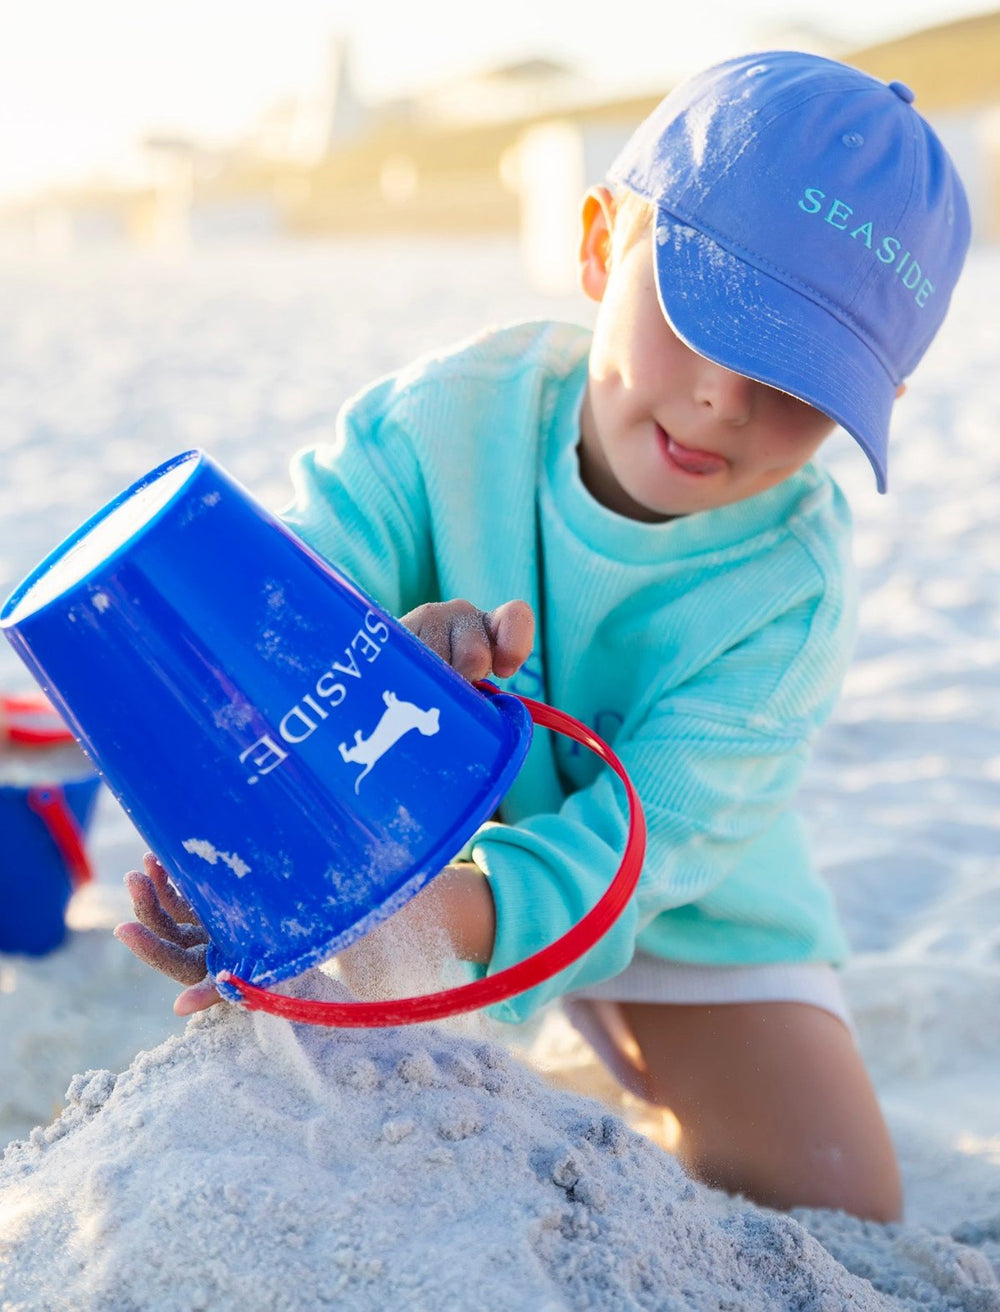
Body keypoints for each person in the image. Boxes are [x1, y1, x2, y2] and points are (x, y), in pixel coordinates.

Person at [116, 50, 971, 1222]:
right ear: (598, 241)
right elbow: (273, 612)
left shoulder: (790, 589)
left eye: (795, 376)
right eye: (700, 315)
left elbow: (647, 846)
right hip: (404, 851)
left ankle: (615, 1021)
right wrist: (363, 656)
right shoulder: (444, 416)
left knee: (838, 1204)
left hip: (675, 891)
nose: (724, 394)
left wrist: (438, 924)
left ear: (874, 403)